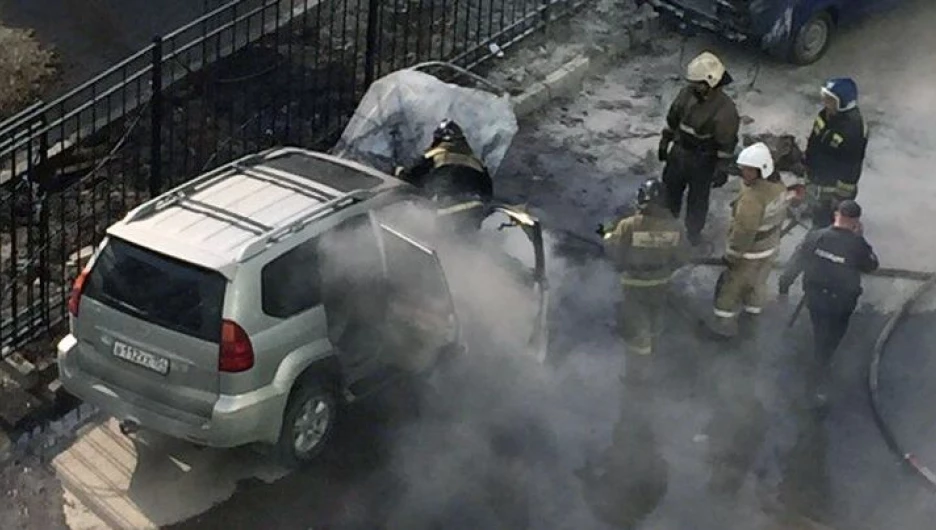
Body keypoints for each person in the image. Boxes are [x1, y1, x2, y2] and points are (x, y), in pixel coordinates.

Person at [778, 200, 879, 404]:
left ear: (836, 215)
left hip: (816, 298)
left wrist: (783, 288)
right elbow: (871, 265)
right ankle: (818, 374)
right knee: (831, 337)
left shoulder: (815, 237)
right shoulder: (857, 244)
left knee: (820, 329)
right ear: (855, 221)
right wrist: (861, 238)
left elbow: (795, 263)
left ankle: (817, 359)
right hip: (842, 303)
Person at [598, 178, 690, 383]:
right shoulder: (676, 227)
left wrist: (605, 234)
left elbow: (615, 252)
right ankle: (655, 363)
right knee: (655, 323)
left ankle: (637, 378)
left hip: (634, 286)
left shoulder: (629, 225)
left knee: (637, 333)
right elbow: (683, 257)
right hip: (661, 284)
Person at [658, 51, 741, 246]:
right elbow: (673, 119)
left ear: (710, 82)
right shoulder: (687, 94)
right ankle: (665, 228)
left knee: (697, 201)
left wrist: (721, 169)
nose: (693, 86)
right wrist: (665, 141)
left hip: (702, 162)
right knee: (669, 192)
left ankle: (693, 234)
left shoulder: (725, 111)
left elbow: (726, 144)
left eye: (697, 83)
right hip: (678, 153)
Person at [709, 142, 787, 338]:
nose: (744, 173)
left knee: (730, 290)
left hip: (748, 254)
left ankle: (722, 329)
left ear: (762, 170)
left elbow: (744, 231)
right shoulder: (778, 187)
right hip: (769, 249)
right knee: (757, 286)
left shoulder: (752, 198)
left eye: (749, 170)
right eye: (743, 168)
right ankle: (751, 325)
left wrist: (732, 255)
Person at [395, 119, 494, 231]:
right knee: (466, 243)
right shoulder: (477, 162)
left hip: (449, 209)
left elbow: (414, 179)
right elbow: (488, 193)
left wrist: (399, 172)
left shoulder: (436, 154)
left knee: (443, 240)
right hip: (475, 211)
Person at [804, 77, 869, 229]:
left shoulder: (853, 131)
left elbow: (851, 166)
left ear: (843, 103)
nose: (825, 102)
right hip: (817, 173)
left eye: (830, 100)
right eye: (825, 98)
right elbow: (815, 140)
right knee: (816, 202)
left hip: (832, 185)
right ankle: (814, 209)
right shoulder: (826, 115)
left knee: (824, 218)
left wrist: (840, 197)